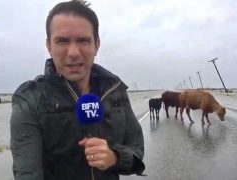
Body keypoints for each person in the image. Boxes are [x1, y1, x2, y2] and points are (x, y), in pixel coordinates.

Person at [10, 0, 145, 179]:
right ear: (49, 46)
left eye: (83, 40)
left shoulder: (115, 91)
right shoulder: (30, 100)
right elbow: (27, 174)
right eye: (62, 41)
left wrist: (115, 157)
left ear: (97, 44)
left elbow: (136, 148)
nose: (73, 52)